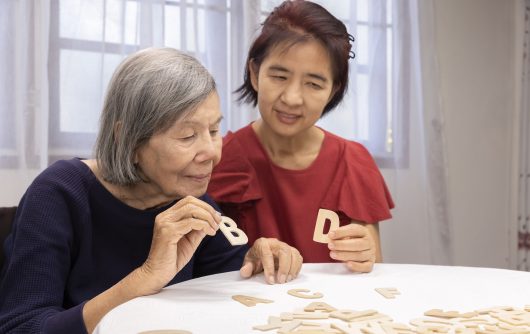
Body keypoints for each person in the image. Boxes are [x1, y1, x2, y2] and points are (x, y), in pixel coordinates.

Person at [0, 48, 302, 334]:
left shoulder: (191, 199)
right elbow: (23, 327)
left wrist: (259, 262)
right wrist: (144, 278)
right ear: (128, 140)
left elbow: (232, 292)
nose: (211, 152)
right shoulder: (60, 194)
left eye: (213, 131)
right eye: (187, 135)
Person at [208, 0, 394, 273]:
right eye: (279, 76)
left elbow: (371, 267)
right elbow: (202, 268)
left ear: (333, 90)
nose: (292, 98)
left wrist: (365, 253)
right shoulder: (219, 159)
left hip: (329, 313)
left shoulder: (354, 162)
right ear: (255, 73)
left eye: (313, 84)